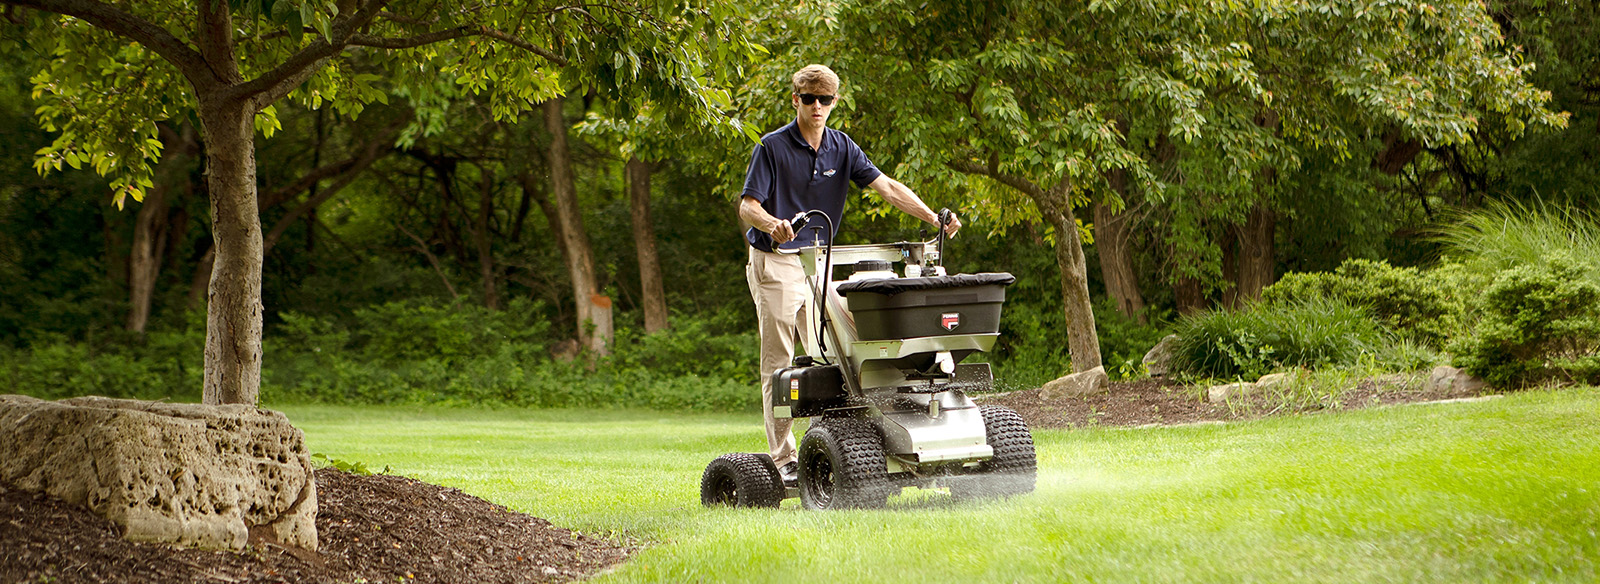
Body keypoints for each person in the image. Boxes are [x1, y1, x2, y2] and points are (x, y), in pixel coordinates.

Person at [739, 64, 961, 485]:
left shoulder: (843, 147)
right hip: (777, 259)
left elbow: (888, 187)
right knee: (779, 360)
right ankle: (783, 457)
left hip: (820, 261)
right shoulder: (772, 147)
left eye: (825, 100)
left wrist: (934, 218)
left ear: (834, 102)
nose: (817, 106)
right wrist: (773, 223)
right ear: (796, 100)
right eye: (809, 99)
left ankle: (833, 443)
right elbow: (747, 205)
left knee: (837, 354)